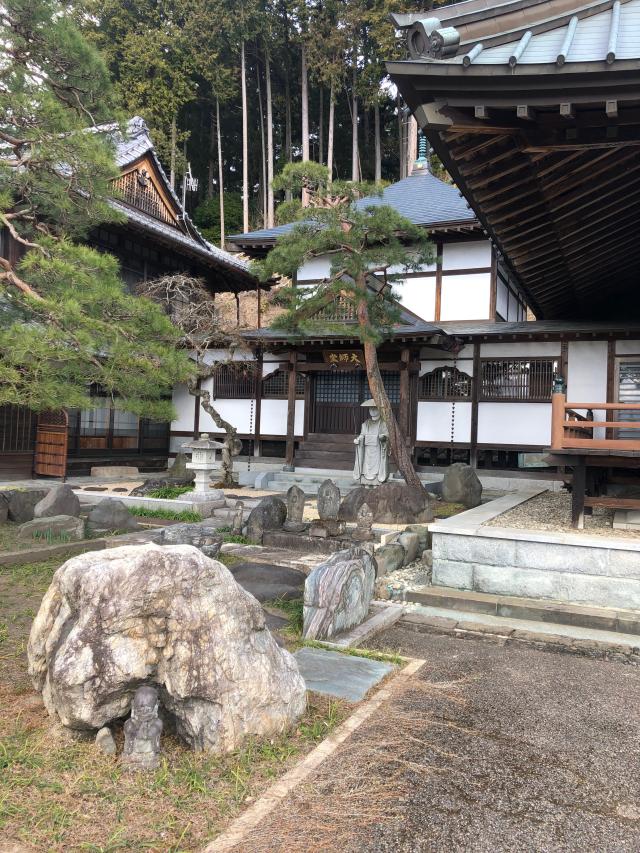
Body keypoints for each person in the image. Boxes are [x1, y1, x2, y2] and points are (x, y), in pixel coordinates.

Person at [353, 399, 389, 485]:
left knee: (377, 465)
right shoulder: (366, 423)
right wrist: (358, 440)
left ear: (379, 409)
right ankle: (365, 478)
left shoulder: (383, 423)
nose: (372, 411)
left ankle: (377, 477)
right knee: (366, 464)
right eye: (370, 409)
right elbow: (362, 435)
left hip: (377, 449)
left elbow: (387, 435)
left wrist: (383, 438)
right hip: (367, 449)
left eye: (374, 408)